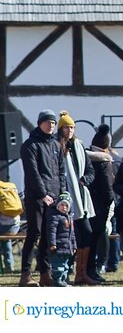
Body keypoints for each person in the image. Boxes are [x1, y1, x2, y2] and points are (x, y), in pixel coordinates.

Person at [19, 109, 66, 287]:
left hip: (54, 197)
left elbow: (61, 172)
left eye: (53, 122)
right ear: (40, 123)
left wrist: (62, 192)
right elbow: (33, 174)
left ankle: (45, 274)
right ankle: (25, 275)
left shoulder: (56, 145)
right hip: (36, 197)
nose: (51, 125)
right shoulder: (30, 145)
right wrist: (43, 194)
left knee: (48, 236)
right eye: (47, 122)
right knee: (34, 233)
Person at [56, 111, 98, 285]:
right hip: (65, 197)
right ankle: (63, 273)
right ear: (61, 129)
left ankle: (81, 273)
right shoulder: (56, 146)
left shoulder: (79, 146)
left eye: (72, 127)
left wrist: (84, 180)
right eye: (67, 127)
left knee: (87, 232)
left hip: (81, 198)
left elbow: (90, 170)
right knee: (66, 236)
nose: (70, 130)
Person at [87, 126, 116, 283]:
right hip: (101, 205)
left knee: (88, 238)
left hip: (88, 203)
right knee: (99, 234)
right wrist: (111, 200)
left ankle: (86, 269)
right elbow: (107, 187)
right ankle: (94, 269)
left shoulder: (86, 158)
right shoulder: (104, 161)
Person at [46, 192, 76, 287]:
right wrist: (52, 244)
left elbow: (72, 234)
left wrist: (74, 245)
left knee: (66, 266)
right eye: (62, 205)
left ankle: (63, 280)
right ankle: (57, 280)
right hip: (58, 248)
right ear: (58, 205)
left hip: (67, 247)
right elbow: (51, 232)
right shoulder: (54, 217)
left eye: (66, 205)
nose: (64, 207)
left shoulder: (69, 218)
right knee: (58, 266)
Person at [0, 179, 22, 273]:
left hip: (3, 227)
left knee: (5, 240)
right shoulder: (10, 187)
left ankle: (8, 266)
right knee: (6, 241)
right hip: (16, 226)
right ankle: (9, 266)